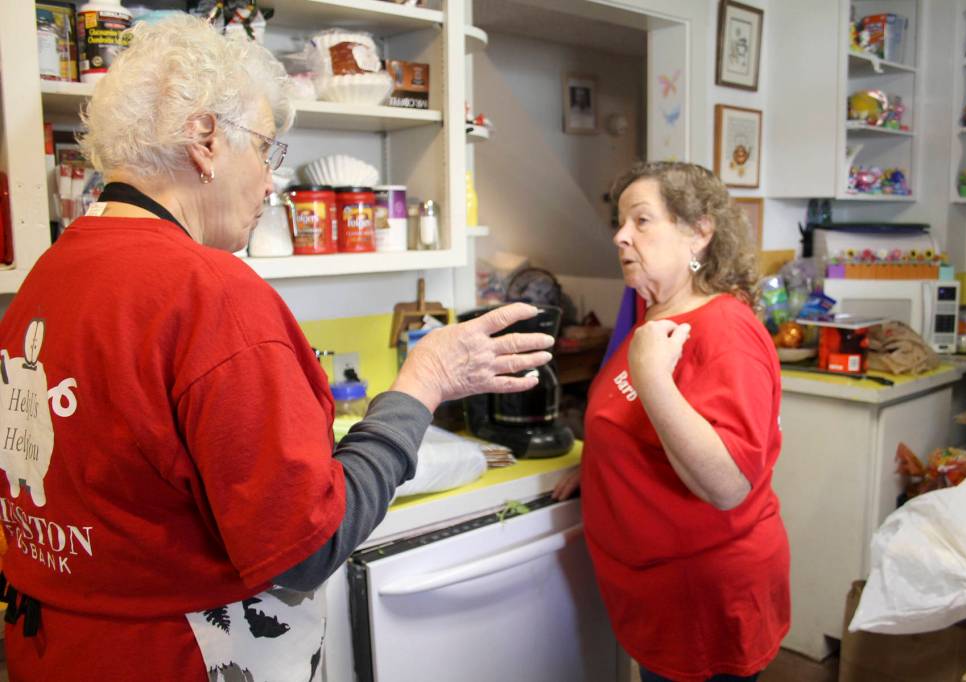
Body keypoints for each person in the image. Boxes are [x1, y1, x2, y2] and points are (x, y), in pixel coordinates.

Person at [0, 14, 553, 681]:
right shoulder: (208, 293)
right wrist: (422, 383)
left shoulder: (48, 274)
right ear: (205, 139)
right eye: (266, 151)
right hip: (177, 657)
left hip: (55, 649)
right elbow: (306, 546)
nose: (271, 183)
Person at [553, 161, 790, 682]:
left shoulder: (725, 330)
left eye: (641, 221)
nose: (620, 236)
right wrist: (600, 466)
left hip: (704, 596)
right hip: (651, 593)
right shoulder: (649, 315)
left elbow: (728, 484)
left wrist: (653, 378)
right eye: (619, 222)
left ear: (699, 234)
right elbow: (634, 420)